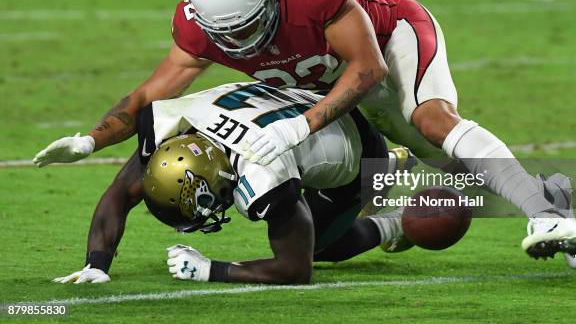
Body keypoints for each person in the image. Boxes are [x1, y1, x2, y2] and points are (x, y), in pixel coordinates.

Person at [34, 0, 576, 266]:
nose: (243, 42)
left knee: (432, 118)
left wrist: (298, 128)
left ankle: (542, 215)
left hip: (389, 40)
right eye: (229, 33)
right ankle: (552, 195)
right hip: (332, 85)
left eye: (251, 25)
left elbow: (368, 68)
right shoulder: (201, 29)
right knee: (451, 167)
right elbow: (147, 96)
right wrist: (90, 138)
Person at [53, 83, 413, 284]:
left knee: (318, 247)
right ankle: (387, 177)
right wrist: (96, 264)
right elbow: (120, 192)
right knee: (303, 213)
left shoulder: (263, 173)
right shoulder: (177, 132)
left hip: (358, 146)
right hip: (301, 102)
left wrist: (213, 270)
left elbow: (295, 268)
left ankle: (395, 219)